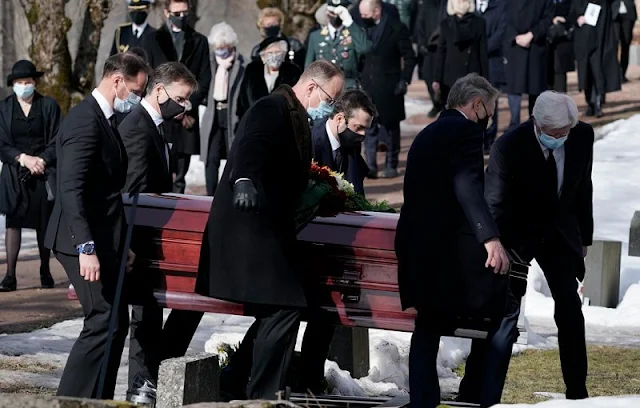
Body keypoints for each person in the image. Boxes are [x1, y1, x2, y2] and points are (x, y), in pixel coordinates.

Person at [195, 60, 345, 400]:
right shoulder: (271, 107)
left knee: (280, 307)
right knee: (285, 306)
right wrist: (244, 179)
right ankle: (263, 396)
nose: (330, 106)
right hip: (249, 228)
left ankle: (236, 381)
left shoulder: (295, 115)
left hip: (268, 229)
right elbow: (251, 146)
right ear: (311, 88)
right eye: (330, 98)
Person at [460, 91, 594, 406]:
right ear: (536, 122)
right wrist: (494, 245)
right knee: (502, 313)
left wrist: (584, 238)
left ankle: (578, 392)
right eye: (553, 134)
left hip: (560, 233)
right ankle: (476, 392)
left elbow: (583, 187)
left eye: (565, 133)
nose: (560, 138)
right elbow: (493, 203)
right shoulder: (508, 147)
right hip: (516, 235)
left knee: (570, 312)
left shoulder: (582, 136)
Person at [395, 73, 510, 408]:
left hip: (418, 248)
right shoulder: (465, 131)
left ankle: (424, 400)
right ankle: (478, 394)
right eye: (489, 110)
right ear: (476, 105)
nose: (489, 119)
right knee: (496, 317)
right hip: (446, 254)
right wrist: (490, 237)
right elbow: (467, 186)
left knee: (427, 327)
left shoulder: (429, 131)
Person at [45, 52, 150, 399]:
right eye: (136, 90)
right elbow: (70, 190)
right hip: (78, 239)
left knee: (115, 322)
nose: (137, 98)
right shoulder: (85, 121)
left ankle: (97, 399)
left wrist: (124, 244)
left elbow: (105, 191)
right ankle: (72, 400)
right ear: (117, 80)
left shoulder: (103, 120)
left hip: (102, 237)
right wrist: (85, 247)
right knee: (101, 320)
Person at [118, 61, 197, 405]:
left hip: (154, 236)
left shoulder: (158, 126)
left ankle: (148, 378)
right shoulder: (138, 127)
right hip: (140, 239)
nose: (185, 107)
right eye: (181, 99)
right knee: (143, 316)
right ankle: (140, 383)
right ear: (160, 91)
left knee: (154, 313)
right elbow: (133, 192)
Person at [0, 60, 61, 292]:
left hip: (43, 172)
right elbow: (1, 143)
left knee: (43, 223)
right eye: (19, 82)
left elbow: (57, 139)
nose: (24, 86)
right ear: (13, 84)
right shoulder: (3, 109)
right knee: (13, 222)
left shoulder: (48, 106)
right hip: (15, 171)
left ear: (35, 82)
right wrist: (22, 158)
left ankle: (45, 269)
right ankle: (10, 275)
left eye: (27, 82)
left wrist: (42, 160)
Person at [145, 0, 212, 194]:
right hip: (161, 115)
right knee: (158, 171)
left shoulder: (199, 40)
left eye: (185, 13)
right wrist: (166, 104)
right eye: (177, 13)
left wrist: (186, 106)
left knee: (180, 177)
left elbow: (205, 78)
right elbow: (149, 76)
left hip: (187, 118)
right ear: (167, 12)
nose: (182, 17)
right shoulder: (152, 39)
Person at [359, 0, 417, 179]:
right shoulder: (361, 30)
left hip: (390, 86)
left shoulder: (397, 28)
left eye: (365, 14)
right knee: (368, 127)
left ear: (376, 11)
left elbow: (409, 57)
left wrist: (404, 80)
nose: (362, 18)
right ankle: (370, 165)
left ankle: (391, 163)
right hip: (368, 85)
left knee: (391, 127)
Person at [200, 22, 245, 196]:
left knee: (232, 157)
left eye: (224, 47)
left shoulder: (241, 63)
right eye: (217, 47)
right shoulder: (210, 62)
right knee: (211, 159)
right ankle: (210, 195)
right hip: (213, 114)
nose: (221, 51)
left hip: (232, 115)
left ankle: (227, 194)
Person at [312, 89, 376, 195]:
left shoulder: (351, 144)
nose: (362, 134)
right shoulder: (312, 143)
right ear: (340, 119)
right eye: (358, 127)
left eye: (365, 129)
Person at [503, 0, 553, 129]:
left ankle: (534, 124)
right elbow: (502, 16)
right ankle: (514, 124)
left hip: (536, 47)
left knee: (535, 89)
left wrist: (532, 34)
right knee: (514, 89)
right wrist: (515, 37)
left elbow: (548, 18)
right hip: (514, 47)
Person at [305, 0, 372, 90]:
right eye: (332, 12)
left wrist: (349, 22)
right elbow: (308, 68)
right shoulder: (316, 36)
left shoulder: (354, 33)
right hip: (323, 88)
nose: (335, 16)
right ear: (327, 12)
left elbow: (364, 48)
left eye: (339, 13)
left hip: (348, 88)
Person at [433, 0, 488, 105]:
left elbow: (483, 54)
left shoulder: (479, 23)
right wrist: (437, 79)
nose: (462, 2)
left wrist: (485, 81)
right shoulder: (445, 24)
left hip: (472, 77)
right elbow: (441, 52)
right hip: (450, 79)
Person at [572, 0, 622, 117]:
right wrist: (577, 19)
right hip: (583, 33)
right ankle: (590, 102)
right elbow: (571, 10)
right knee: (586, 70)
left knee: (598, 68)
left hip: (601, 34)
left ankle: (598, 102)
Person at [237, 37, 301, 120]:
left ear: (284, 54)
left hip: (282, 123)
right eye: (270, 53)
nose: (274, 56)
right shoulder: (252, 71)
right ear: (263, 56)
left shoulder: (293, 72)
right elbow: (242, 100)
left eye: (277, 52)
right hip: (254, 122)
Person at [475, 0, 506, 153]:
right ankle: (476, 138)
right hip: (473, 63)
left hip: (492, 62)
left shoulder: (498, 6)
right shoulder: (469, 7)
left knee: (490, 102)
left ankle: (489, 139)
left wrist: (482, 48)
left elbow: (501, 32)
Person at [414, 0, 448, 118]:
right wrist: (421, 44)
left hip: (445, 48)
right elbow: (420, 25)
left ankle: (444, 105)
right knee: (428, 77)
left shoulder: (447, 4)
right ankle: (436, 103)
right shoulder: (426, 5)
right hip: (429, 49)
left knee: (444, 78)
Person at [546, 0, 575, 93]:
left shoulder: (569, 3)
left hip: (562, 41)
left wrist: (565, 19)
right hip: (545, 41)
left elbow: (575, 13)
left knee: (560, 76)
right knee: (546, 75)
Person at [613, 0, 636, 83]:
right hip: (613, 13)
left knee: (625, 45)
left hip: (628, 13)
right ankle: (614, 74)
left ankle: (622, 74)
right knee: (613, 45)